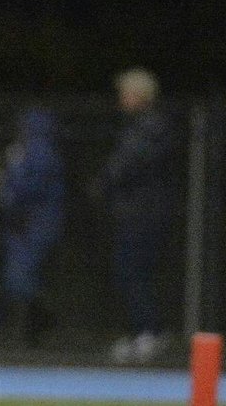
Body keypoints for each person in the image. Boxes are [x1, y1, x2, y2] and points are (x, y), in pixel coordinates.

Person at [93, 67, 178, 364]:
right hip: (141, 212)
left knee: (132, 272)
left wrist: (103, 182)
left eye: (126, 93)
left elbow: (126, 165)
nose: (121, 99)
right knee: (132, 272)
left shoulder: (148, 128)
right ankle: (147, 330)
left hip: (142, 215)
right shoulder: (145, 126)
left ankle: (148, 332)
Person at [0, 106, 65, 348]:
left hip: (32, 224)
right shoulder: (37, 151)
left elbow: (27, 190)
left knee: (21, 277)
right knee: (23, 277)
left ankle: (36, 327)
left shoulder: (38, 153)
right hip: (30, 224)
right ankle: (32, 330)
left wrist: (12, 174)